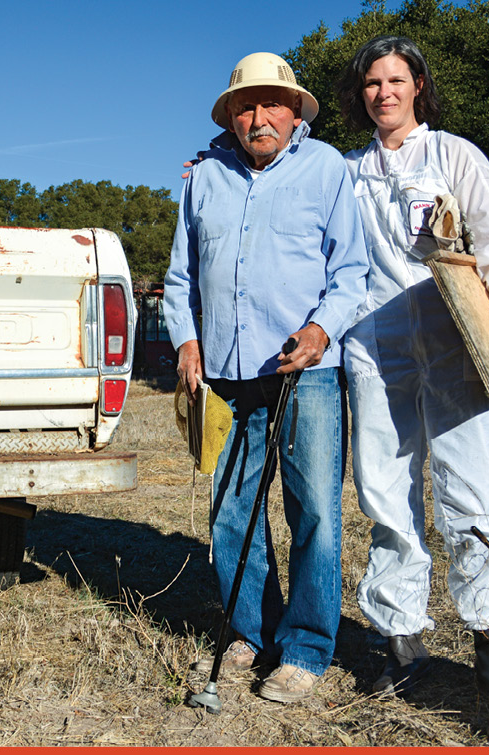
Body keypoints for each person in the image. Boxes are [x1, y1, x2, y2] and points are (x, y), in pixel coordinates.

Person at [334, 35, 489, 698]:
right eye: (373, 83)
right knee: (386, 494)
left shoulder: (454, 155)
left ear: (418, 85)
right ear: (361, 93)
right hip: (375, 346)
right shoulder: (347, 171)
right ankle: (401, 643)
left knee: (472, 493)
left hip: (454, 343)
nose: (384, 93)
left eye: (396, 80)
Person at [164, 52, 368, 703]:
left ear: (294, 110)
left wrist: (320, 330)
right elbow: (180, 278)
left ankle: (306, 648)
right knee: (232, 510)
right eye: (246, 106)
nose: (259, 117)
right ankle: (245, 631)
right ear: (231, 115)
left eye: (271, 103)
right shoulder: (203, 179)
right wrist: (186, 339)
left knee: (314, 515)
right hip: (225, 374)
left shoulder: (327, 168)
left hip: (304, 370)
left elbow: (352, 271)